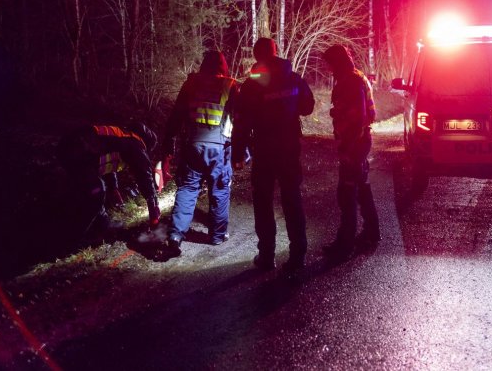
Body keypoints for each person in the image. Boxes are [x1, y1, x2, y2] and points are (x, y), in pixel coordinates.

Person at [232, 37, 314, 279]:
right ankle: (298, 255)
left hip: (265, 149)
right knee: (292, 199)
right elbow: (307, 107)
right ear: (275, 52)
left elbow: (242, 123)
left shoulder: (251, 85)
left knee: (263, 201)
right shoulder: (293, 77)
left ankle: (267, 256)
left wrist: (237, 152)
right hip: (289, 147)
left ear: (257, 56)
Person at [161, 50, 239, 255]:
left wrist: (168, 144)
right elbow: (240, 119)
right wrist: (242, 149)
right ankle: (216, 235)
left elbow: (176, 116)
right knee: (220, 190)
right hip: (220, 148)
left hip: (193, 146)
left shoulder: (191, 84)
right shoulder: (230, 86)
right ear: (223, 66)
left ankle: (175, 235)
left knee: (187, 189)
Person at [321, 44, 380, 260]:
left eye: (329, 63)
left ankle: (345, 245)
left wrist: (347, 148)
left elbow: (357, 116)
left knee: (346, 194)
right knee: (362, 187)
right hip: (360, 141)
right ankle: (372, 232)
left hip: (354, 143)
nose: (328, 68)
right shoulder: (356, 77)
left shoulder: (350, 81)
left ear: (336, 62)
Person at [56, 122, 161, 242]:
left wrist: (113, 188)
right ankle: (77, 239)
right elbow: (144, 174)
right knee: (96, 192)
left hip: (74, 149)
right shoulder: (134, 142)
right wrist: (153, 205)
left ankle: (102, 226)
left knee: (94, 191)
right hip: (77, 149)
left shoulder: (121, 137)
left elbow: (108, 163)